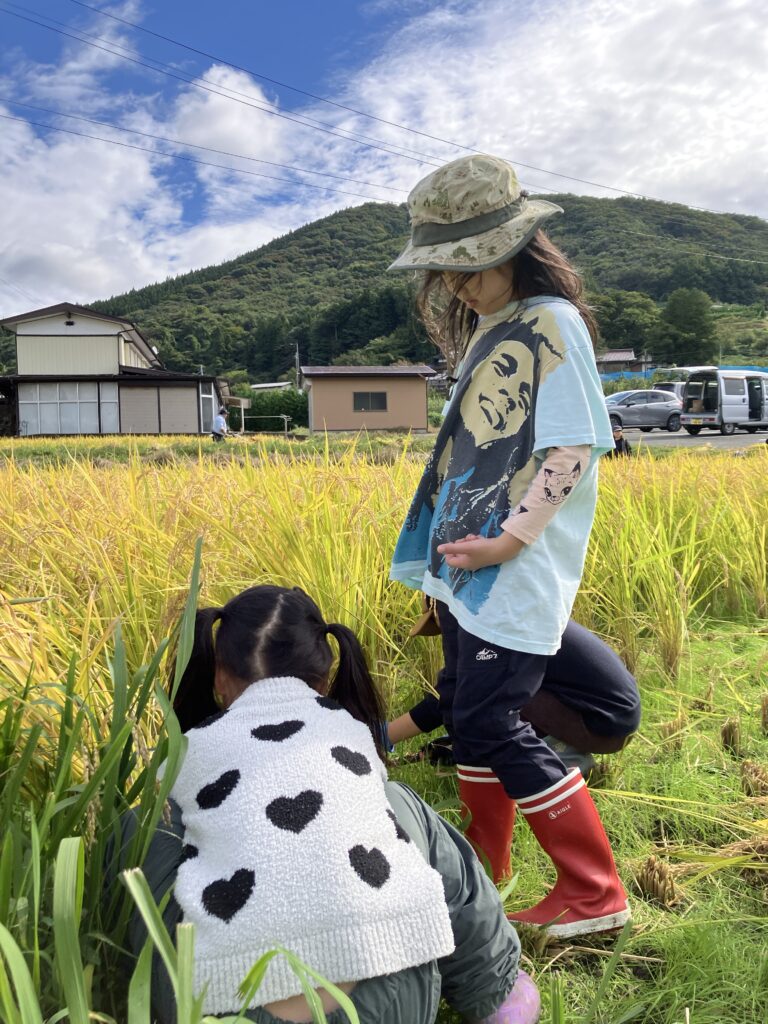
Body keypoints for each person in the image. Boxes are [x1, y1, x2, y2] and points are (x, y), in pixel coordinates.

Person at [388, 153, 628, 938]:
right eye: (445, 270)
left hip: (511, 570)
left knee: (493, 721)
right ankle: (483, 872)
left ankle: (594, 894)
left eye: (470, 264)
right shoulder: (497, 328)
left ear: (515, 246)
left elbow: (573, 447)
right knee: (470, 714)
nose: (457, 283)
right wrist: (450, 560)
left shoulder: (550, 322)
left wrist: (508, 541)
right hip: (472, 569)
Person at [120, 585, 540, 1024]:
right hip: (390, 1000)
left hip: (220, 1009)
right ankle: (496, 992)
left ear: (217, 675)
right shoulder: (347, 731)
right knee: (394, 802)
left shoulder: (189, 751)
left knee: (147, 823)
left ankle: (143, 987)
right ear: (324, 678)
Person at [388, 617, 641, 792]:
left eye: (439, 622)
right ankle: (547, 749)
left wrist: (383, 736)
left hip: (604, 722)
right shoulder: (510, 612)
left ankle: (563, 761)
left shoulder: (495, 627)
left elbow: (451, 696)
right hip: (609, 715)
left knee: (488, 694)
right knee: (484, 695)